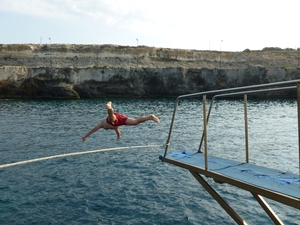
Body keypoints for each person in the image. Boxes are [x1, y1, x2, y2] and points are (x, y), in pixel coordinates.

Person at [82, 101, 160, 142]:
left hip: (112, 119)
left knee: (111, 117)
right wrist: (118, 136)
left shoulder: (101, 124)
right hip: (120, 120)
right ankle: (150, 117)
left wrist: (85, 136)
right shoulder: (114, 128)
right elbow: (117, 130)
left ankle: (109, 107)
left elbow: (93, 130)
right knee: (135, 122)